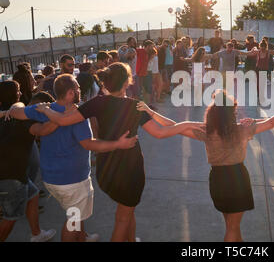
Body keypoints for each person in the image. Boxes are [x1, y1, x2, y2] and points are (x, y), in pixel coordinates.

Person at [34, 63, 200, 242]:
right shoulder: (134, 106)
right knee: (123, 217)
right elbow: (159, 133)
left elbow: (63, 121)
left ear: (106, 83)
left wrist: (45, 109)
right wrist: (186, 124)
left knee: (127, 211)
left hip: (106, 172)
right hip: (129, 172)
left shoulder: (97, 102)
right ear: (127, 82)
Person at [136, 89, 274, 241]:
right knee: (233, 228)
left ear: (212, 113)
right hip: (238, 180)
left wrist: (151, 112)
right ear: (231, 113)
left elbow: (173, 126)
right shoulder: (242, 129)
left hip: (217, 180)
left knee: (232, 226)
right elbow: (272, 122)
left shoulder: (206, 131)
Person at [4, 74, 139, 242]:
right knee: (73, 221)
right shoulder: (78, 116)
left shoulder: (44, 108)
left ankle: (83, 238)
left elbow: (17, 112)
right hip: (72, 181)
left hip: (51, 179)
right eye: (77, 88)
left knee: (75, 212)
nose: (80, 90)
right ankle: (77, 235)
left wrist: (6, 112)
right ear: (69, 93)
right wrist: (117, 144)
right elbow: (89, 144)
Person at [0, 81, 56, 242]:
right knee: (11, 217)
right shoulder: (25, 119)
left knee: (33, 194)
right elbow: (43, 131)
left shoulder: (6, 114)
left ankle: (37, 234)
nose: (20, 92)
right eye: (17, 90)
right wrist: (57, 118)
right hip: (10, 177)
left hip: (14, 174)